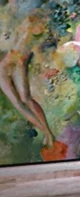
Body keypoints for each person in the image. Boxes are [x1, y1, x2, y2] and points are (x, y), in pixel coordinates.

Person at [0, 11, 61, 159]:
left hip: (16, 66)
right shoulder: (24, 26)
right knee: (18, 103)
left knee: (25, 99)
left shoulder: (37, 41)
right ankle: (47, 132)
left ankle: (48, 132)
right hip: (3, 69)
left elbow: (29, 60)